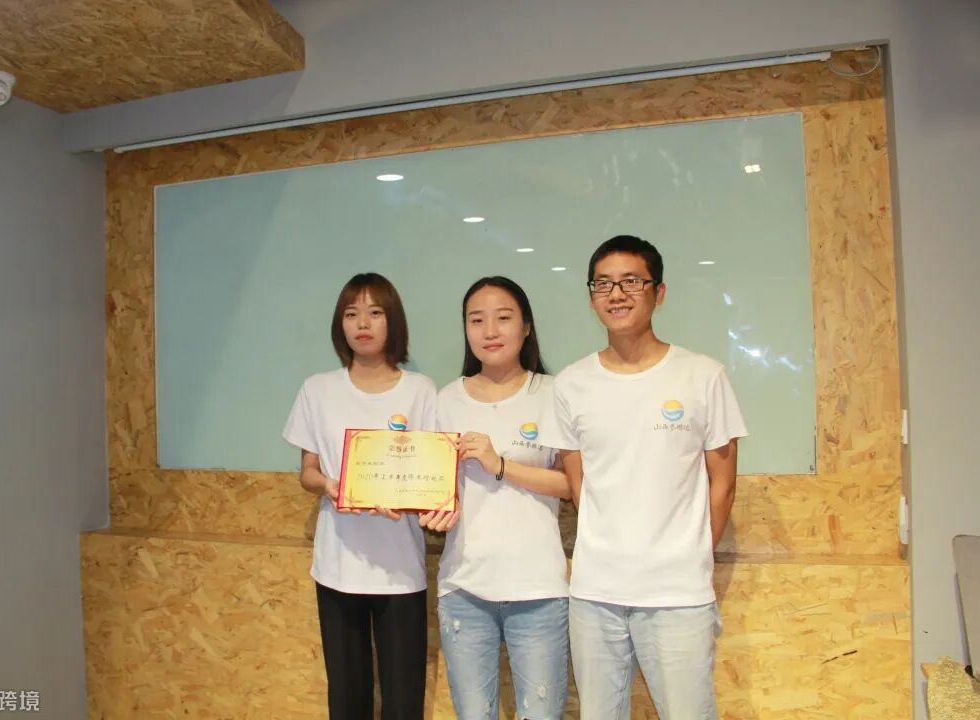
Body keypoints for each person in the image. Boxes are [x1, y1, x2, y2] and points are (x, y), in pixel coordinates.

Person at [539, 236, 747, 720]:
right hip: (595, 593)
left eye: (631, 281)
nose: (616, 294)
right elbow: (580, 486)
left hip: (678, 595)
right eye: (603, 284)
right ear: (592, 297)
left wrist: (693, 556)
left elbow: (723, 483)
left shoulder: (702, 376)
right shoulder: (571, 384)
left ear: (659, 292)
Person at [283, 272, 436, 720]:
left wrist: (410, 496)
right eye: (351, 314)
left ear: (393, 321)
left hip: (400, 569)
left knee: (403, 700)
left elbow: (432, 474)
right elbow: (307, 472)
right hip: (338, 567)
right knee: (347, 699)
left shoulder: (420, 390)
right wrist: (330, 485)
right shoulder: (318, 389)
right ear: (340, 324)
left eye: (374, 312)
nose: (362, 323)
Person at [421, 276, 571, 719]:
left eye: (503, 318)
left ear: (526, 326)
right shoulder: (446, 399)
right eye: (476, 320)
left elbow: (572, 486)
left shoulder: (553, 394)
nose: (489, 331)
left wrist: (501, 464)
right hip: (464, 586)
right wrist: (431, 510)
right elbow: (433, 485)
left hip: (539, 587)